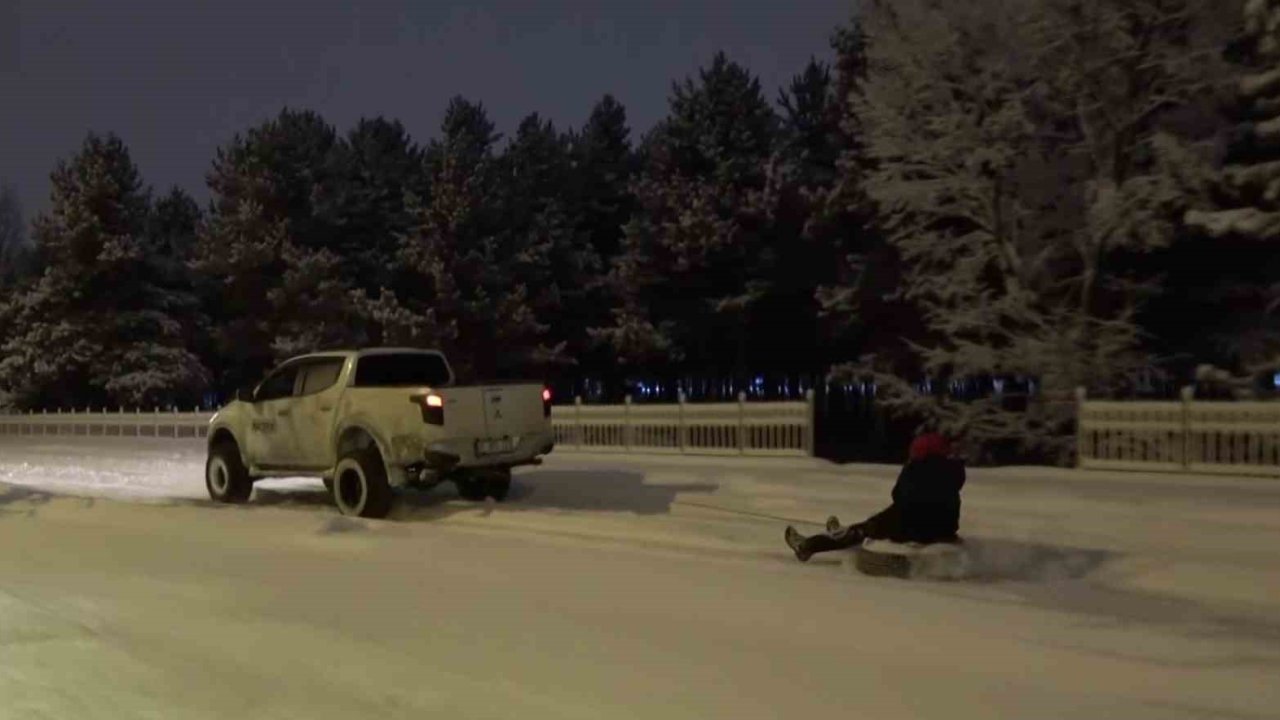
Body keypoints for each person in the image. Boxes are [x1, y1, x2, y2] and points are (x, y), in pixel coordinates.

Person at [784, 432, 965, 562]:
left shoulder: (918, 469)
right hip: (944, 529)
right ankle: (841, 532)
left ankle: (808, 545)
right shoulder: (953, 470)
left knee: (866, 528)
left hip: (912, 525)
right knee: (878, 523)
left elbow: (898, 495)